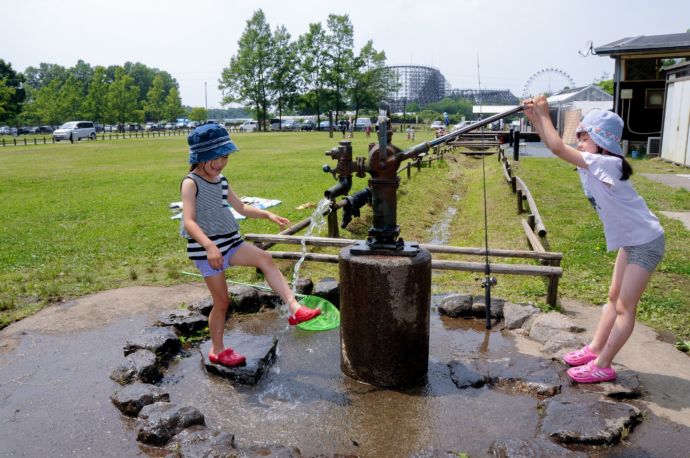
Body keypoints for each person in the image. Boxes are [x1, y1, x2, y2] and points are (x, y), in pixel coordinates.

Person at [523, 96, 665, 384]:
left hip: (646, 242)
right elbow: (556, 147)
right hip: (632, 241)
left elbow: (556, 147)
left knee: (625, 306)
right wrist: (535, 118)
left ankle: (604, 364)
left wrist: (545, 114)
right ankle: (596, 348)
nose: (579, 145)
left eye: (584, 139)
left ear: (602, 143)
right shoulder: (594, 163)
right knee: (613, 298)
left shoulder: (607, 163)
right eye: (579, 139)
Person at [180, 123, 320, 367]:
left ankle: (295, 308)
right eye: (213, 157)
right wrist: (209, 246)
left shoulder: (221, 181)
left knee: (265, 259)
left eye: (224, 157)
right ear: (199, 156)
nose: (219, 163)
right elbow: (189, 221)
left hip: (231, 242)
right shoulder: (191, 182)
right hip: (206, 249)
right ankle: (218, 350)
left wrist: (267, 215)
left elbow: (241, 207)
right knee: (222, 302)